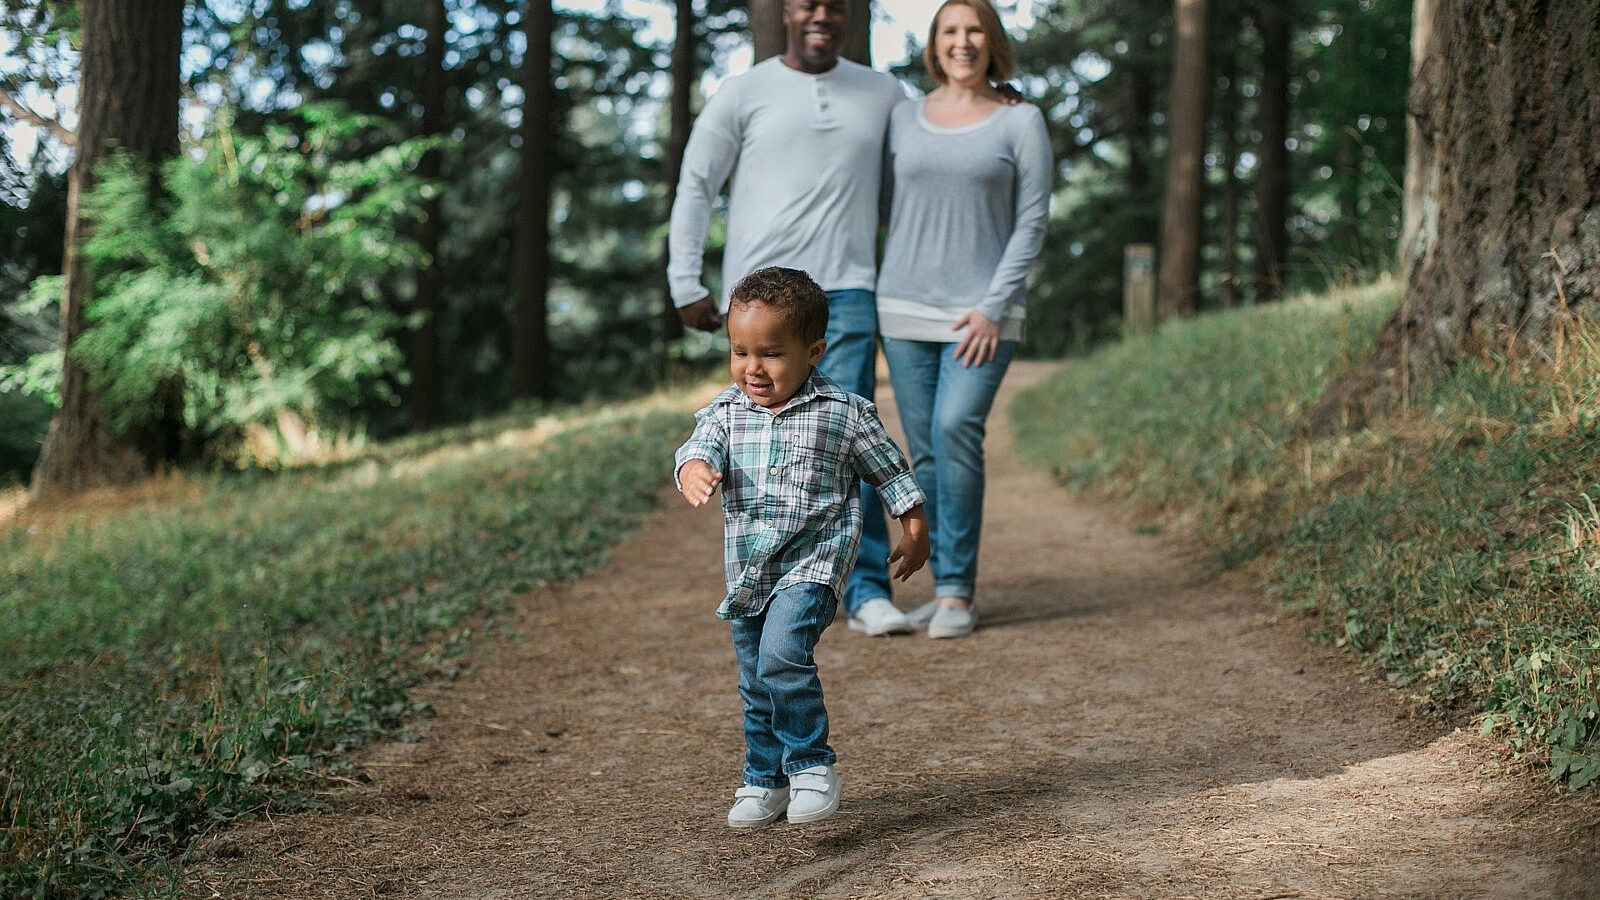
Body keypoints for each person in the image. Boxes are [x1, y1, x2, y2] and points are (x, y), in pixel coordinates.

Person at [667, 0, 919, 637]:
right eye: (808, 2)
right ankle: (776, 584)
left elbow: (930, 156)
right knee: (761, 445)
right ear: (785, 9)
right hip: (760, 300)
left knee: (849, 441)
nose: (821, 14)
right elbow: (697, 184)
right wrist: (684, 281)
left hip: (850, 288)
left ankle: (863, 590)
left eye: (835, 4)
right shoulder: (742, 92)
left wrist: (997, 96)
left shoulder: (884, 92)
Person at [674, 267, 929, 827]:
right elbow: (697, 447)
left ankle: (813, 766)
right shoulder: (726, 411)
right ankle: (766, 780)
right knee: (755, 680)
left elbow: (892, 476)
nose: (752, 369)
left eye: (770, 353)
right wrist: (694, 467)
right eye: (739, 352)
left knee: (783, 656)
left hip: (814, 564)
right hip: (748, 573)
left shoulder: (843, 414)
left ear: (813, 351)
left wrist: (914, 531)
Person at [875, 0, 1052, 638]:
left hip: (983, 315)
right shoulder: (902, 118)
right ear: (935, 44)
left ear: (992, 41)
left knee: (955, 429)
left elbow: (1033, 221)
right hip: (902, 307)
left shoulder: (1021, 121)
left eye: (975, 29)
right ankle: (943, 581)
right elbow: (887, 204)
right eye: (950, 30)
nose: (963, 41)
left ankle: (957, 592)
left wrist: (993, 307)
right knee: (923, 450)